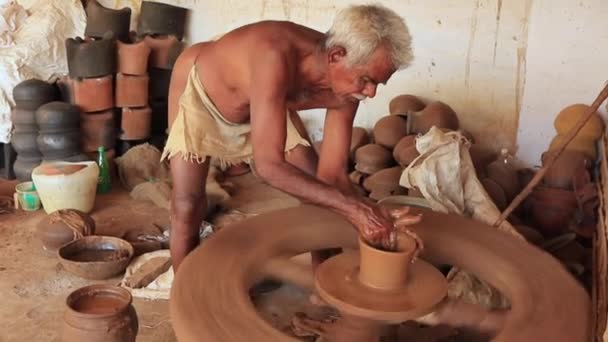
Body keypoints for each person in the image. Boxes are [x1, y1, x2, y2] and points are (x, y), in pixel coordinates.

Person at [163, 4, 422, 271]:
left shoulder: (347, 87)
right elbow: (268, 167)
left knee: (318, 191)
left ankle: (325, 281)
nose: (371, 93)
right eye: (367, 80)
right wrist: (356, 211)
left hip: (264, 101)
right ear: (336, 55)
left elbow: (331, 178)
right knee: (187, 204)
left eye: (378, 83)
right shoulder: (274, 56)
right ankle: (183, 291)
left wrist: (373, 212)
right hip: (201, 89)